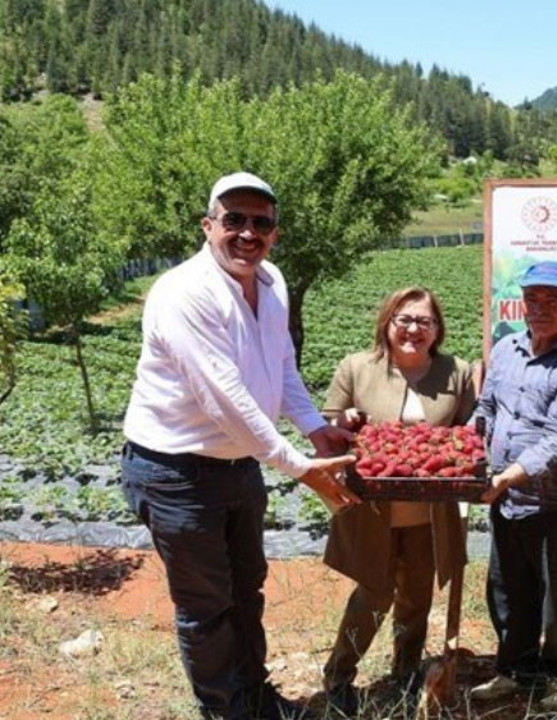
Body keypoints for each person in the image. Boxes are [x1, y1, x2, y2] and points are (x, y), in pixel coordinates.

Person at [120, 172, 359, 720]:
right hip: (175, 473)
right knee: (207, 608)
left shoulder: (271, 282)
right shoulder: (184, 293)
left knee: (247, 591)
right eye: (234, 220)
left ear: (275, 233)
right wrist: (299, 466)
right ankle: (226, 712)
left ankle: (257, 700)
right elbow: (223, 397)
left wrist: (314, 427)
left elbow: (282, 364)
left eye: (261, 222)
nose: (248, 233)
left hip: (238, 466)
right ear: (208, 226)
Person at [317, 286, 475, 716]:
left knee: (417, 597)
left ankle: (404, 672)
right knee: (373, 594)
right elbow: (327, 423)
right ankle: (339, 676)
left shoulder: (457, 372)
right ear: (387, 323)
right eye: (404, 319)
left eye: (424, 321)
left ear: (437, 329)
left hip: (430, 512)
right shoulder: (357, 368)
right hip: (372, 508)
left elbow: (468, 431)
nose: (413, 329)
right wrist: (343, 420)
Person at [469, 261, 557, 712]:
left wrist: (505, 476)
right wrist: (465, 451)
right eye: (533, 298)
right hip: (509, 500)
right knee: (508, 592)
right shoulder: (506, 349)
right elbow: (486, 410)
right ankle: (516, 670)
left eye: (554, 299)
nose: (541, 307)